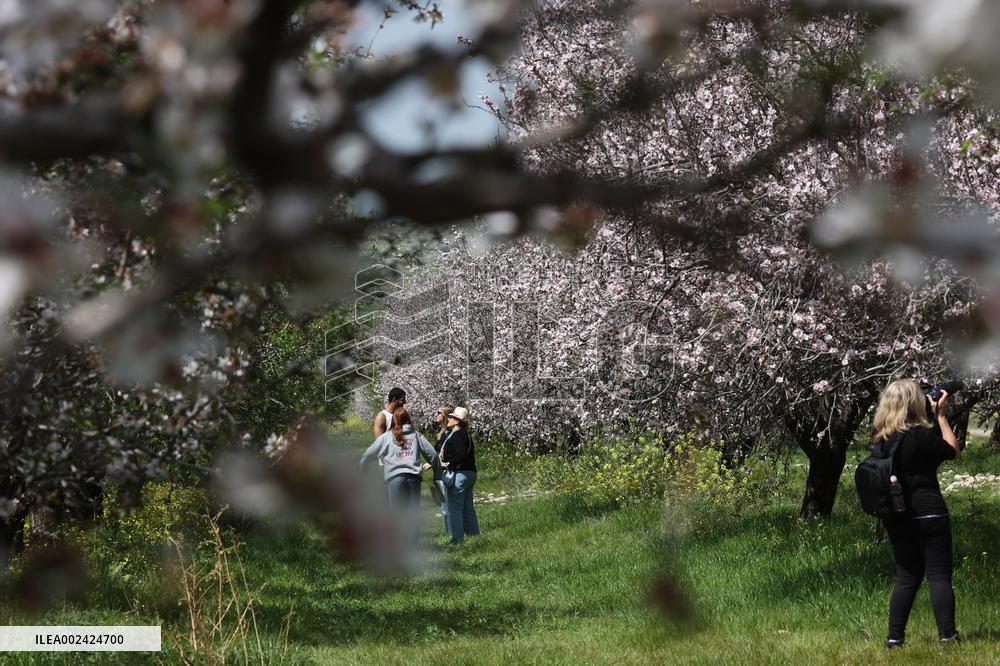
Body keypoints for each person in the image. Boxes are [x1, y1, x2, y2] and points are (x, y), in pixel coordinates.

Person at [872, 378, 961, 649]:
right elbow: (952, 451)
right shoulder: (920, 436)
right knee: (938, 576)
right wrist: (941, 417)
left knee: (907, 577)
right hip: (929, 512)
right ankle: (947, 635)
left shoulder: (881, 441)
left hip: (898, 516)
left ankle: (894, 638)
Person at [360, 407, 440, 512]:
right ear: (408, 419)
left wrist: (363, 469)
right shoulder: (416, 436)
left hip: (394, 479)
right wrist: (438, 475)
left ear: (394, 420)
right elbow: (433, 455)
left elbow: (368, 455)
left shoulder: (387, 437)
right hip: (413, 478)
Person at [440, 406, 479, 545]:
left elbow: (461, 454)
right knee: (468, 507)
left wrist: (448, 464)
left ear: (457, 421)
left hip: (460, 474)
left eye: (451, 417)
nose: (448, 419)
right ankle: (475, 536)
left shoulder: (457, 435)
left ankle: (457, 540)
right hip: (470, 473)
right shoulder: (466, 434)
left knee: (454, 509)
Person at [428, 403, 455, 536]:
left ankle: (452, 535)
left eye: (438, 412)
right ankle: (451, 533)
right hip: (440, 473)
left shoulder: (448, 435)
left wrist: (433, 463)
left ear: (445, 416)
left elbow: (447, 456)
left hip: (445, 473)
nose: (436, 415)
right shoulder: (442, 433)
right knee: (443, 505)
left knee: (446, 507)